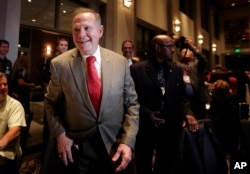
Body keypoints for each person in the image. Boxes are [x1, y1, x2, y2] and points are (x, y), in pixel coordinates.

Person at [41, 7, 139, 174]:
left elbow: (132, 105)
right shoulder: (60, 64)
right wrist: (60, 134)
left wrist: (128, 141)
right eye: (76, 30)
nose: (81, 35)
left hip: (114, 146)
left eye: (87, 28)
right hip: (77, 148)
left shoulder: (120, 63)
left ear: (100, 31)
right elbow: (50, 104)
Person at [130, 34, 198, 174]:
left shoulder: (177, 70)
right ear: (158, 48)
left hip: (170, 127)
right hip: (145, 127)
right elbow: (131, 99)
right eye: (170, 46)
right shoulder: (137, 70)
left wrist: (188, 113)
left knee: (166, 165)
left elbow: (182, 96)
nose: (173, 50)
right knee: (144, 164)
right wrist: (147, 113)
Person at [174, 39, 210, 120]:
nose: (184, 53)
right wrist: (173, 43)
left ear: (192, 55)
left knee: (200, 119)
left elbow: (203, 59)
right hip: (183, 99)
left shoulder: (197, 64)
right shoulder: (177, 64)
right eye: (182, 52)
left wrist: (193, 47)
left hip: (197, 98)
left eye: (187, 52)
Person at [0, 72, 26, 174]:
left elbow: (15, 130)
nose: (3, 87)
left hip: (5, 154)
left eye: (5, 84)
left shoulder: (15, 105)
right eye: (0, 85)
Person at [207, 79, 240, 154]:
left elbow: (211, 112)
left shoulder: (214, 98)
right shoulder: (234, 97)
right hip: (232, 126)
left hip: (219, 127)